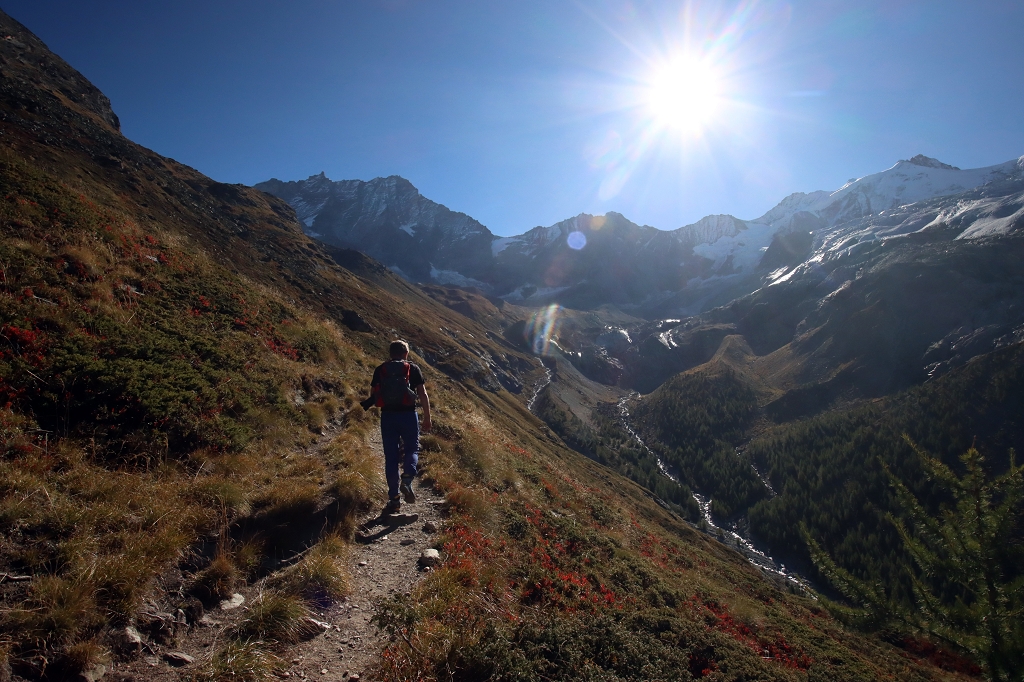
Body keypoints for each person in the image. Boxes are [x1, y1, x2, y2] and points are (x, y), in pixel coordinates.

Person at [366, 340, 431, 514]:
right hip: (409, 415)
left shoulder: (381, 369)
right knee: (412, 450)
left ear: (391, 353)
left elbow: (373, 395)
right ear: (406, 354)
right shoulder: (413, 368)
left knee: (391, 457)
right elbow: (422, 394)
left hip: (388, 417)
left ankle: (394, 500)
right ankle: (408, 478)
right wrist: (427, 417)